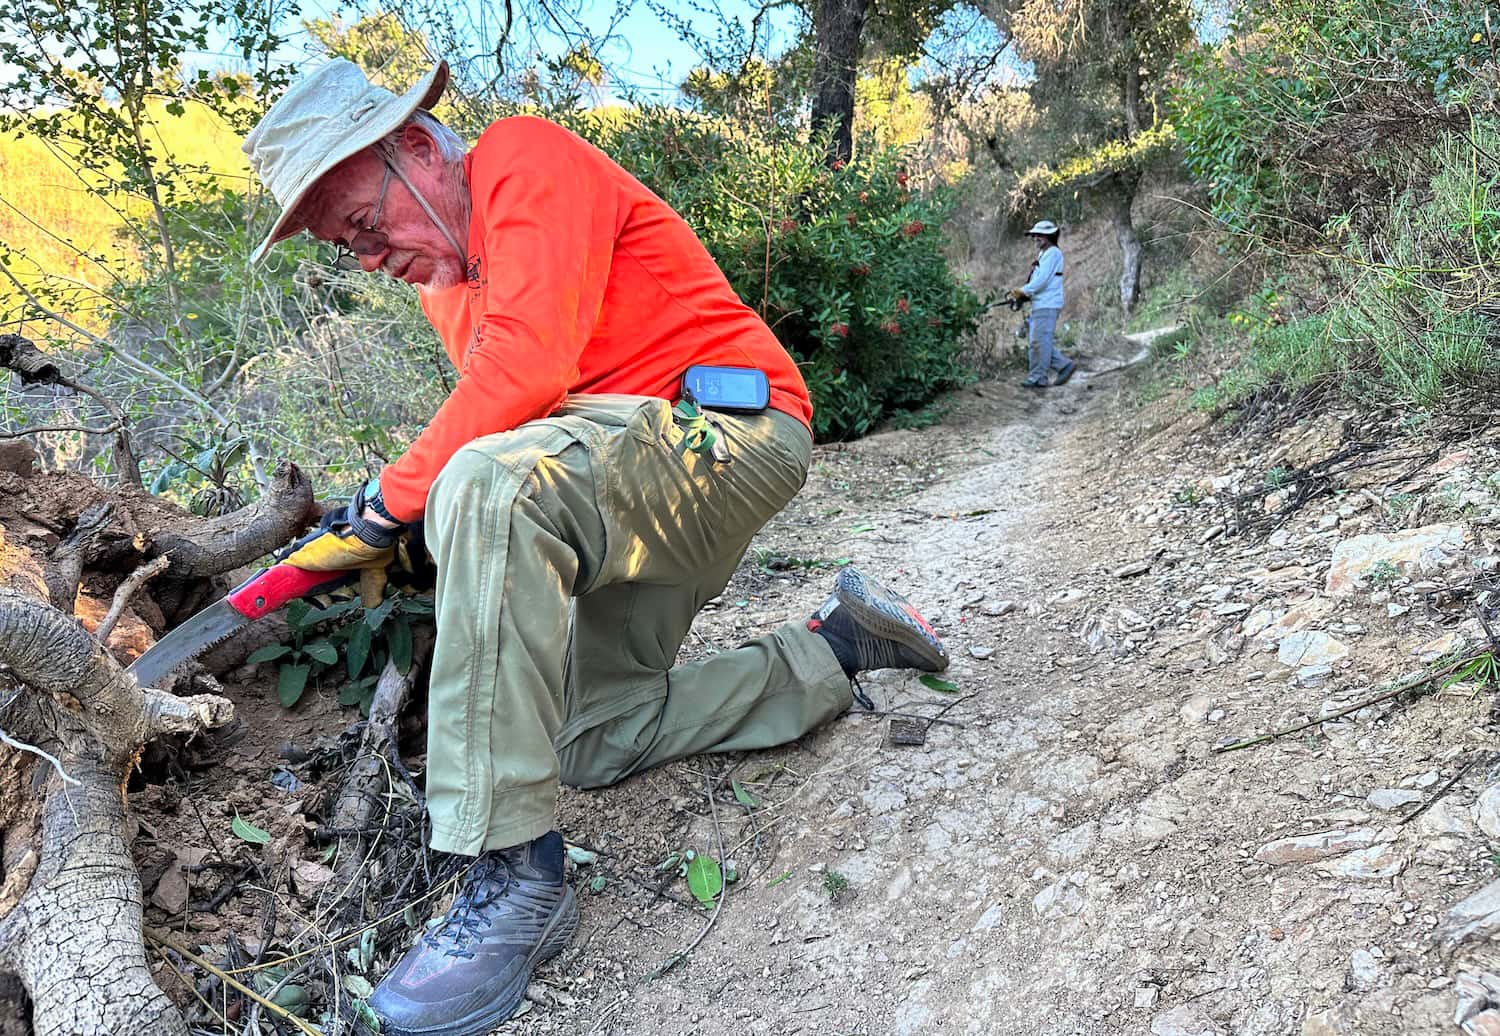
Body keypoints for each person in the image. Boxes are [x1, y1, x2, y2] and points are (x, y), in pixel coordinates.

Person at [243, 59, 951, 1036]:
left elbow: (526, 374)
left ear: (415, 149)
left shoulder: (520, 157)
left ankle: (512, 876)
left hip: (723, 434)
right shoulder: (449, 290)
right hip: (631, 482)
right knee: (591, 735)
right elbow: (524, 437)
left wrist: (391, 504)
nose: (366, 258)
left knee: (483, 484)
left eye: (364, 226)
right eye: (345, 247)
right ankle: (837, 648)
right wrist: (402, 529)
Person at [1009, 219, 1076, 389]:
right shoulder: (1044, 254)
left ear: (1049, 236)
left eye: (1039, 235)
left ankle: (1038, 378)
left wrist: (1023, 291)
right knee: (1038, 341)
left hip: (1047, 304)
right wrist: (1023, 294)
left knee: (1038, 342)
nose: (1035, 238)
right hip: (1041, 304)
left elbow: (1041, 281)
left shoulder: (1053, 253)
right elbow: (1038, 281)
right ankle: (1063, 365)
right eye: (1034, 235)